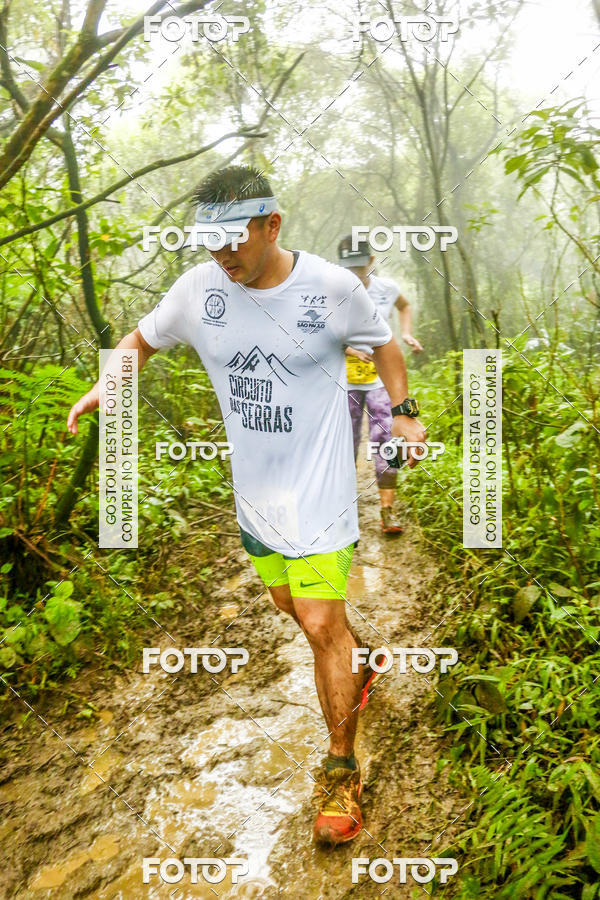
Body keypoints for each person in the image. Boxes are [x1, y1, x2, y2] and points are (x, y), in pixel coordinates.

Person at [67, 166, 426, 846]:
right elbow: (140, 341)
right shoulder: (197, 291)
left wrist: (403, 410)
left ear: (272, 224)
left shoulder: (330, 287)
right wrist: (107, 385)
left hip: (321, 489)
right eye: (211, 240)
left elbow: (382, 340)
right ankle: (360, 658)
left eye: (236, 237)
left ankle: (340, 771)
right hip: (258, 495)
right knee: (290, 606)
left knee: (318, 621)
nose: (224, 253)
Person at [338, 235, 424, 535]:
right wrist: (350, 350)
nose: (354, 273)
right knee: (344, 442)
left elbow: (405, 306)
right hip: (343, 379)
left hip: (379, 379)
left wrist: (407, 333)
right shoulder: (330, 292)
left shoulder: (386, 289)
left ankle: (388, 510)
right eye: (348, 267)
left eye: (359, 266)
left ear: (371, 262)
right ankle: (341, 511)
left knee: (386, 439)